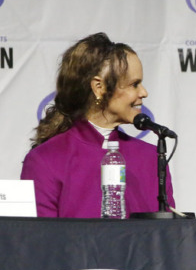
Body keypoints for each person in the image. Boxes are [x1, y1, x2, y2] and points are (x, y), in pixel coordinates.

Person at [20, 32, 174, 218]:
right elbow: (36, 241)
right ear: (99, 87)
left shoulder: (151, 158)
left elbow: (168, 237)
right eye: (134, 84)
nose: (144, 92)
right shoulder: (46, 159)